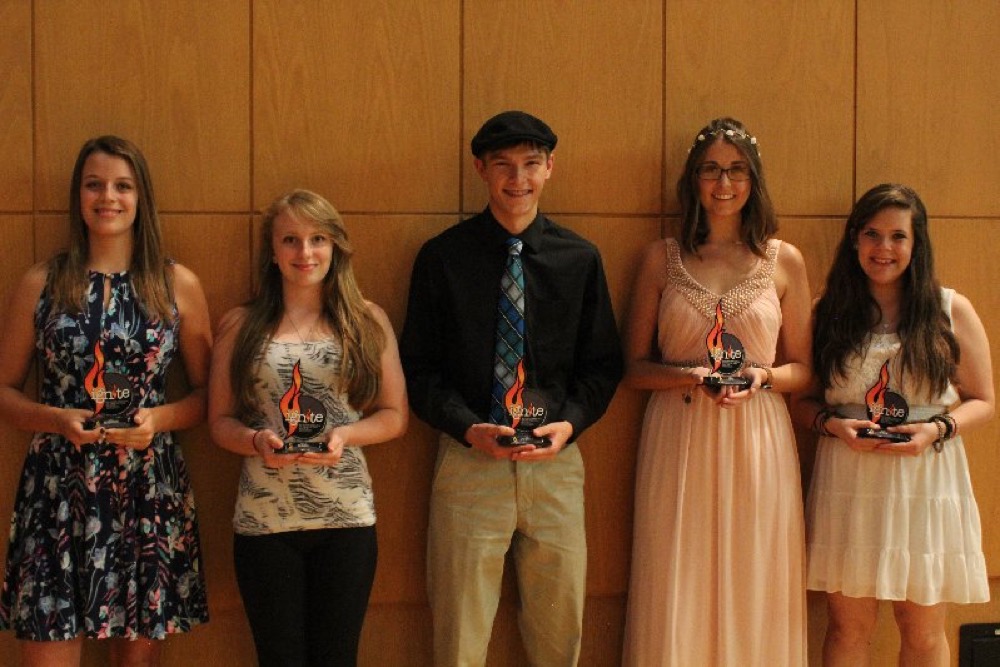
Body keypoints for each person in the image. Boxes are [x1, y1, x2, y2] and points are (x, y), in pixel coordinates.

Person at [400, 110, 622, 666]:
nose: (517, 179)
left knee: (559, 636)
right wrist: (466, 427)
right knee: (460, 637)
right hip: (469, 464)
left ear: (550, 168)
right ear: (481, 169)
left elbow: (602, 365)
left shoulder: (580, 258)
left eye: (530, 164)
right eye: (503, 165)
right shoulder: (442, 258)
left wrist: (569, 425)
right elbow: (418, 370)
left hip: (556, 468)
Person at [0, 136, 212, 666]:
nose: (108, 197)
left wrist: (157, 420)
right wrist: (55, 419)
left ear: (141, 197)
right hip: (57, 490)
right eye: (94, 185)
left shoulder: (176, 284)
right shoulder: (43, 282)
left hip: (146, 490)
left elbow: (210, 397)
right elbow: (3, 392)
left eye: (123, 186)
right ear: (78, 196)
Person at [621, 117, 812, 665]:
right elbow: (633, 368)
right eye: (711, 170)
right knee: (678, 575)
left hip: (758, 437)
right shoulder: (661, 258)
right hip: (680, 434)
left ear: (754, 180)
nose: (723, 183)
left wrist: (763, 378)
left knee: (756, 573)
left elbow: (805, 369)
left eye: (736, 170)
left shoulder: (784, 259)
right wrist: (689, 376)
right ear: (693, 180)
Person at [792, 183, 992, 666]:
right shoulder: (827, 312)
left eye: (898, 236)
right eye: (872, 234)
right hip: (849, 478)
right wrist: (833, 427)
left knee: (922, 630)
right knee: (848, 627)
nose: (884, 248)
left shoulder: (950, 309)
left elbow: (985, 401)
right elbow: (800, 400)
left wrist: (935, 431)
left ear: (916, 243)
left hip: (926, 477)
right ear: (854, 239)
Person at [209, 189, 407, 667]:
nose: (305, 252)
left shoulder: (367, 320)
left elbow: (395, 415)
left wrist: (345, 436)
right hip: (265, 523)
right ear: (272, 251)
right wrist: (256, 441)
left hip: (346, 519)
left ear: (335, 245)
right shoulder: (240, 324)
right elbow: (219, 421)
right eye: (290, 240)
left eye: (318, 238)